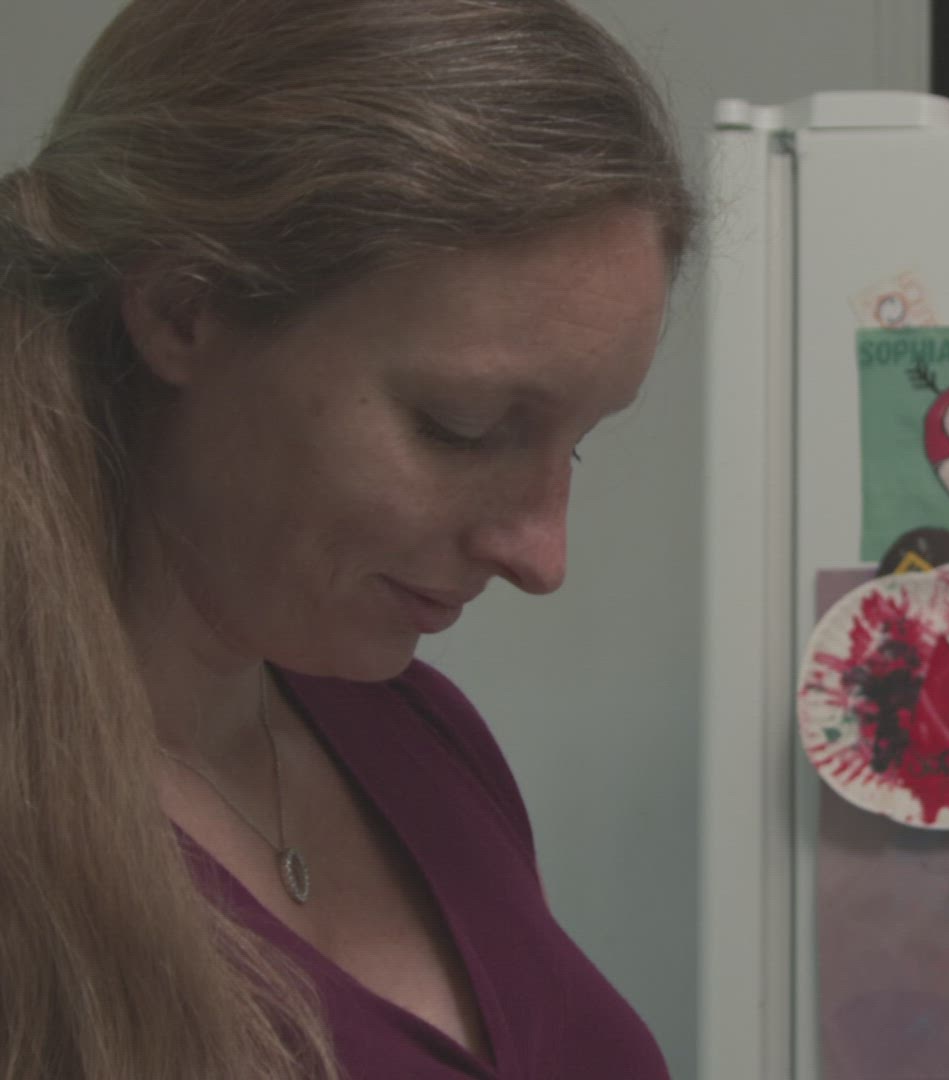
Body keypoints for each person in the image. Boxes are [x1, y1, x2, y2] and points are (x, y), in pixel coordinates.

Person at [0, 1, 696, 1077]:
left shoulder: (418, 734)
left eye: (579, 443)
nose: (541, 555)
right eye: (463, 427)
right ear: (184, 308)